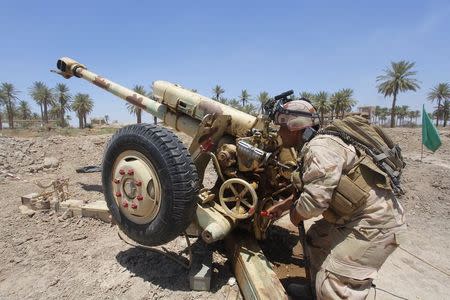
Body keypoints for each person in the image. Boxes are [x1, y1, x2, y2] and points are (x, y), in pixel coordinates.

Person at [266, 100, 406, 299]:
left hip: (375, 226)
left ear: (295, 127)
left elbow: (313, 204)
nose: (278, 132)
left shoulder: (319, 148)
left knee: (334, 284)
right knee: (316, 239)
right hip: (360, 217)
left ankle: (327, 290)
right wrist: (284, 205)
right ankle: (314, 291)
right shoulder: (319, 144)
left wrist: (295, 215)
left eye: (281, 126)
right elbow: (313, 186)